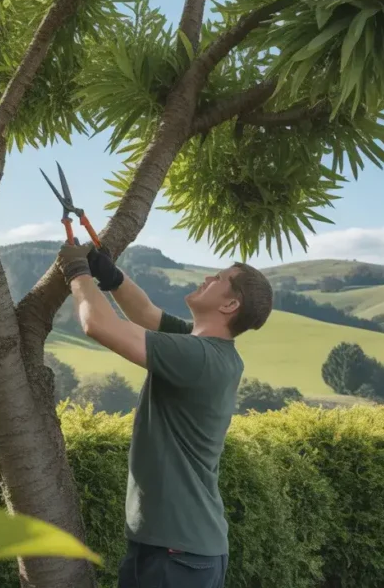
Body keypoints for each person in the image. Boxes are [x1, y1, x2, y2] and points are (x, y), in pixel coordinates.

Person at [56, 243, 273, 588]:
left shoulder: (197, 357)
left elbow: (98, 324)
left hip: (176, 555)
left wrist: (76, 272)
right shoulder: (206, 349)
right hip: (182, 550)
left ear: (230, 304)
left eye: (218, 279)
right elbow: (145, 312)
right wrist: (110, 275)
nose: (207, 277)